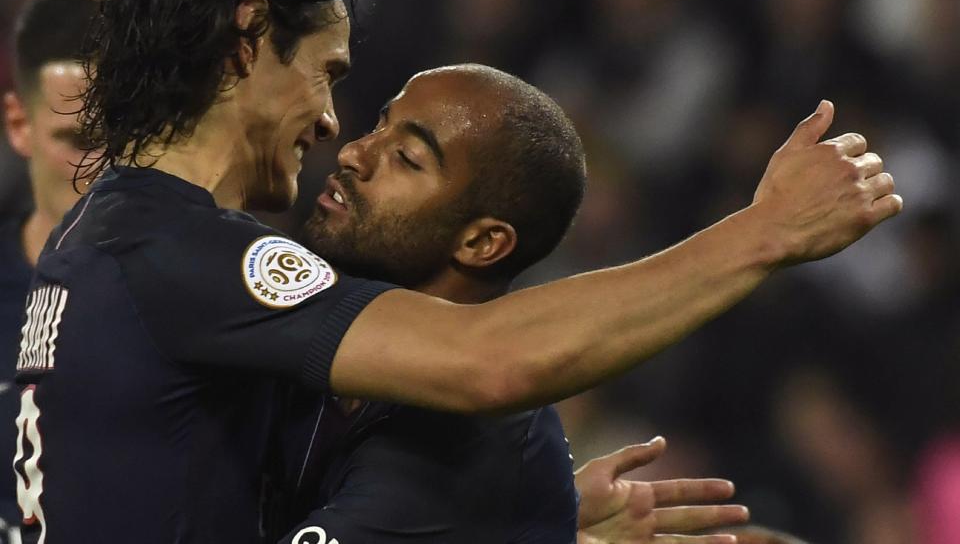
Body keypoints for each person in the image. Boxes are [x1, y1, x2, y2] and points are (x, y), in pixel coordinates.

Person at [15, 0, 900, 544]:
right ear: (249, 36)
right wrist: (765, 232)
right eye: (325, 72)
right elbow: (491, 361)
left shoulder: (97, 239)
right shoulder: (184, 252)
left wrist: (524, 516)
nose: (332, 125)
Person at [274, 65, 749, 544]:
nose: (355, 152)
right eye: (379, 124)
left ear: (481, 242)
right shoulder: (304, 319)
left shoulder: (463, 447)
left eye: (406, 157)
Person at [1, 0, 96, 542]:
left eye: (131, 136)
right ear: (19, 125)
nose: (106, 169)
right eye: (80, 140)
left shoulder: (208, 305)